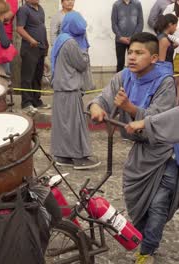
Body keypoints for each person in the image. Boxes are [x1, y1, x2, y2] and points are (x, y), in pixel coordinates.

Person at [89, 32, 179, 264]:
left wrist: (130, 107)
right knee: (137, 204)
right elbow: (104, 97)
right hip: (140, 154)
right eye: (130, 52)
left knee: (158, 204)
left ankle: (146, 252)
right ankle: (145, 238)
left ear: (154, 58)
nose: (132, 57)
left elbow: (158, 119)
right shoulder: (124, 76)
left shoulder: (165, 82)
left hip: (165, 152)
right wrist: (97, 107)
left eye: (139, 53)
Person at [50, 12, 100, 170]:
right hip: (69, 89)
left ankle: (62, 156)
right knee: (74, 125)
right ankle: (79, 158)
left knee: (63, 126)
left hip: (61, 89)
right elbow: (81, 63)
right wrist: (84, 50)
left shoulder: (61, 38)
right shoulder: (71, 43)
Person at [16, 0, 50, 112]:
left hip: (41, 48)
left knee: (37, 76)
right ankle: (26, 103)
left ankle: (36, 101)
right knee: (27, 77)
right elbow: (19, 28)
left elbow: (42, 27)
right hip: (29, 49)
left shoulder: (40, 9)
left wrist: (46, 43)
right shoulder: (23, 10)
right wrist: (31, 40)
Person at [111, 0, 144, 73]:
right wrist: (120, 37)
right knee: (120, 64)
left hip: (134, 40)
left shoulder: (137, 4)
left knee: (134, 63)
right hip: (120, 40)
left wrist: (134, 37)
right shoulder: (116, 5)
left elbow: (140, 23)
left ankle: (133, 82)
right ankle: (120, 83)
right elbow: (114, 24)